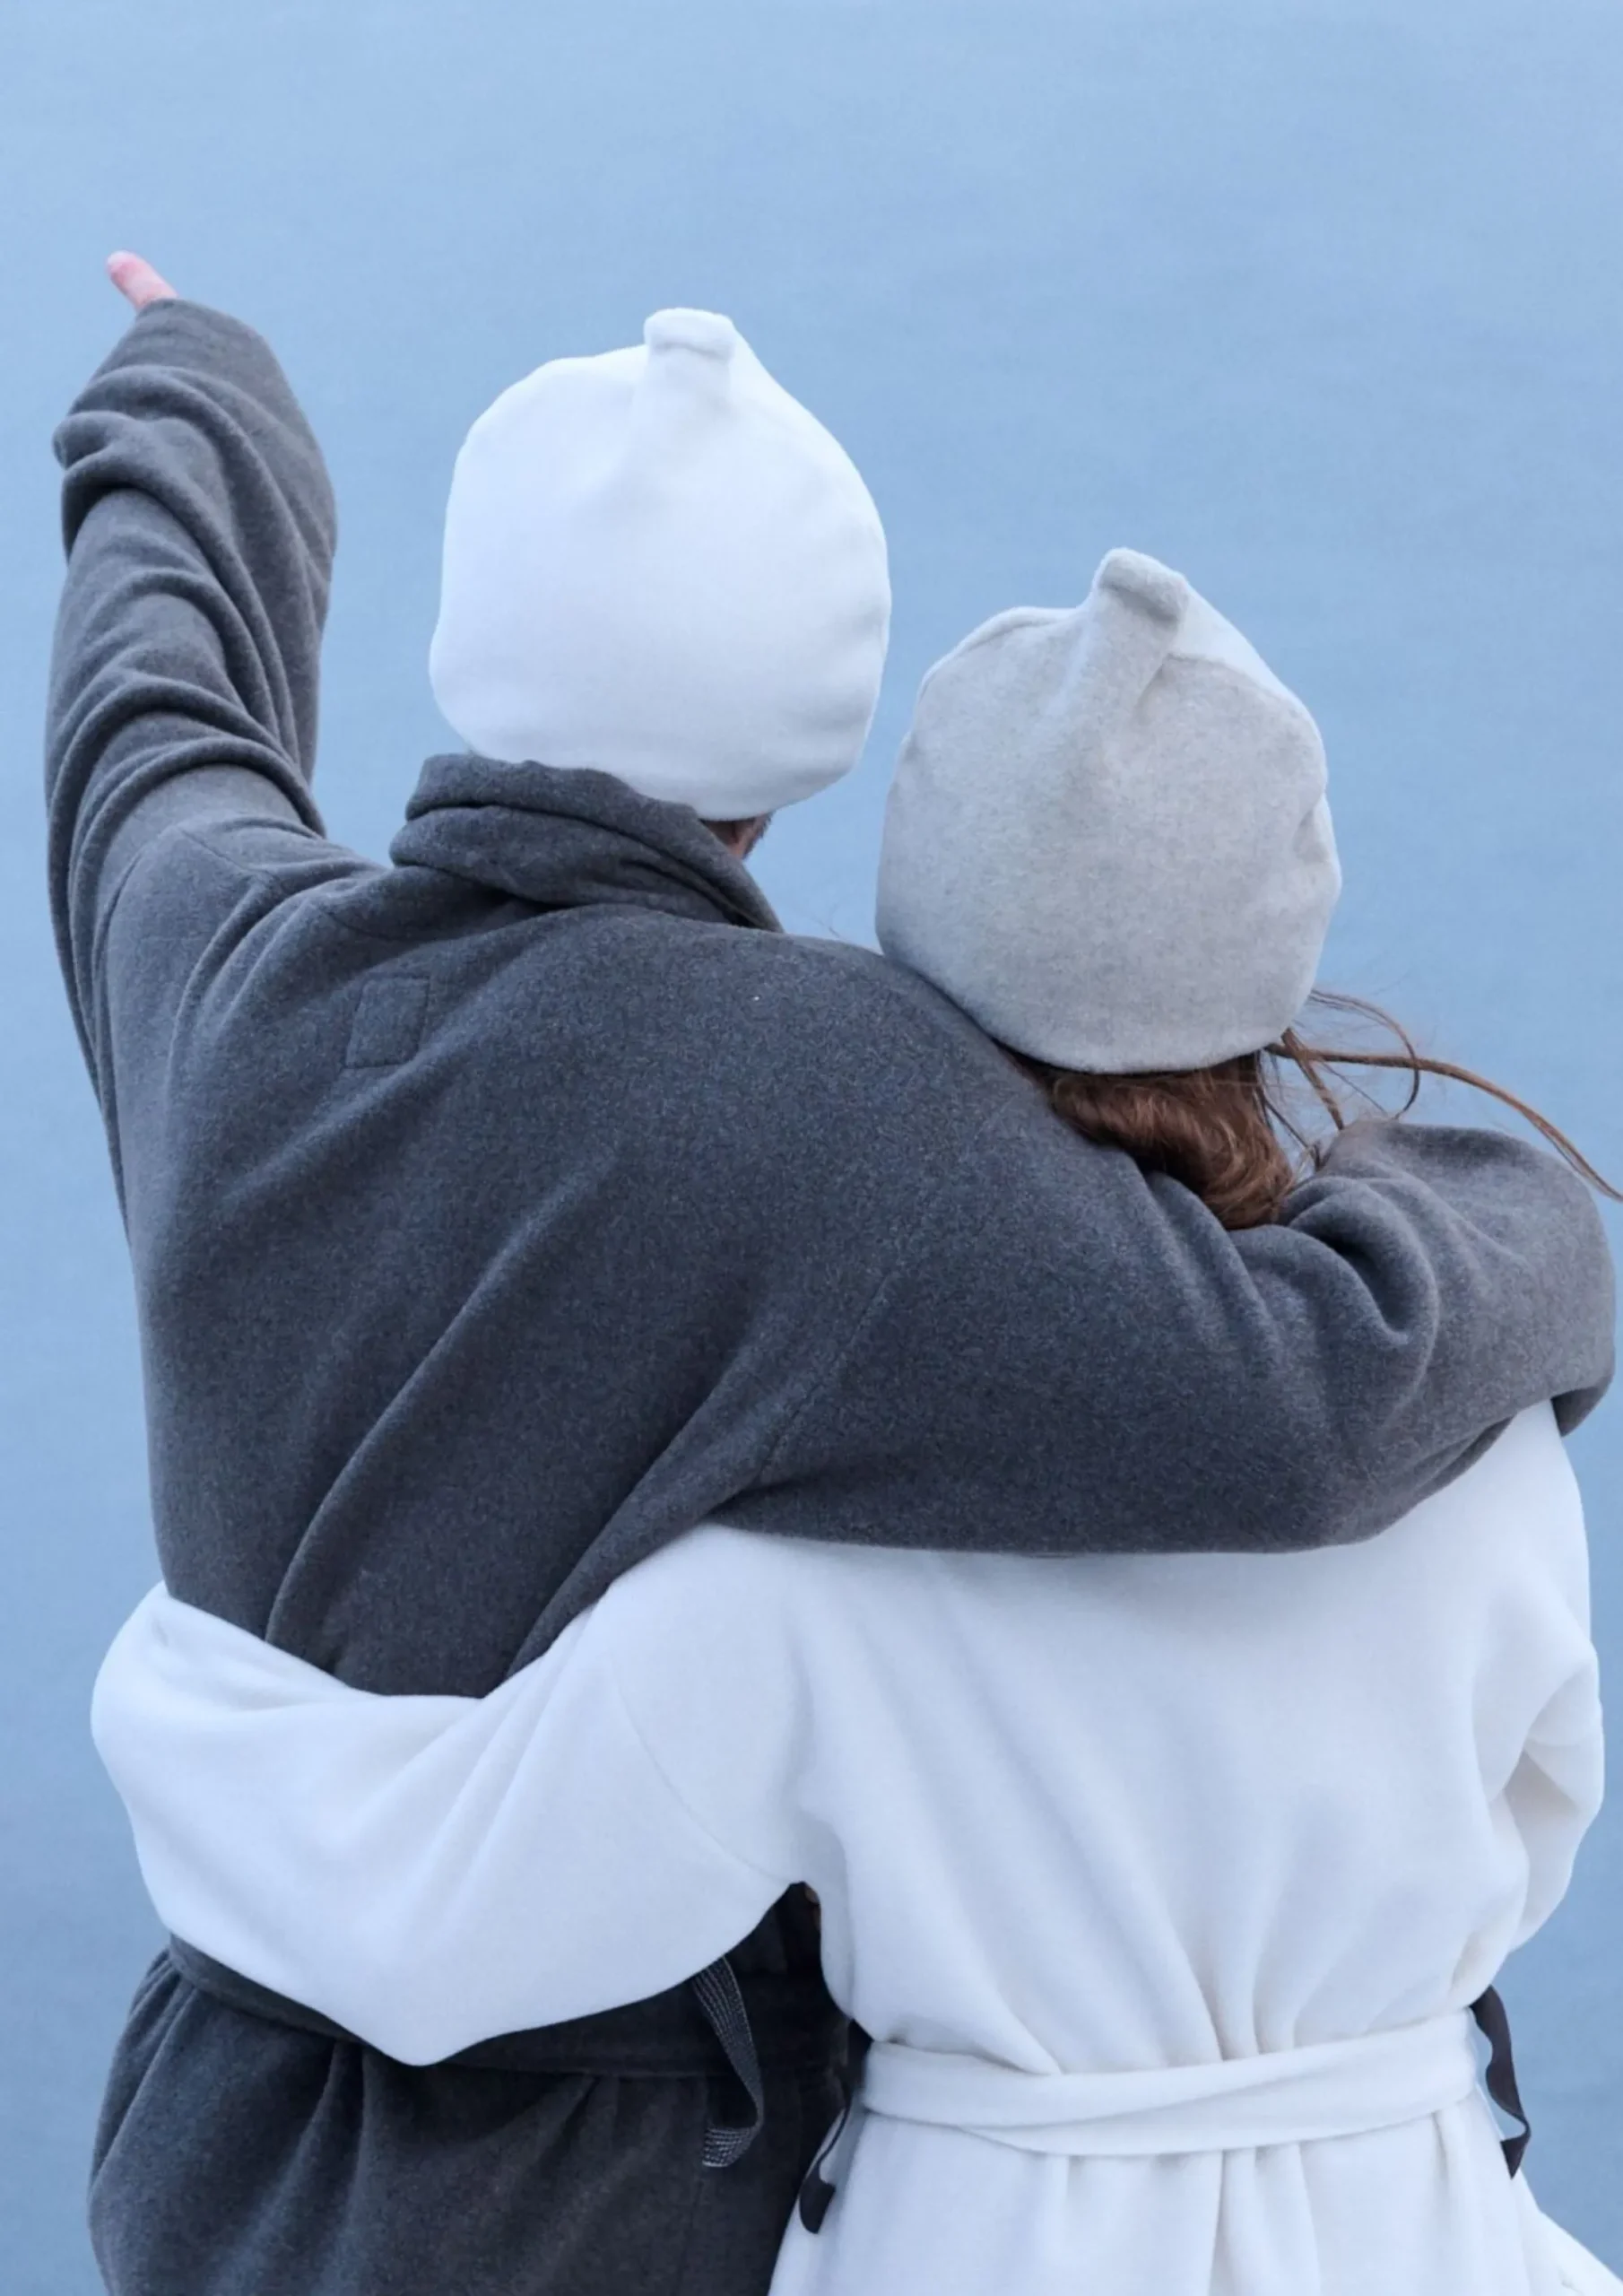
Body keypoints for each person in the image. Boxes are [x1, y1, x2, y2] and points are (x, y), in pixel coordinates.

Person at [51, 254, 1612, 2296]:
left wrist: (195, 394)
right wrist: (1524, 1211)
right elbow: (1298, 1399)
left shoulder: (209, 964)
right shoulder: (852, 1103)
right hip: (624, 2202)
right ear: (814, 736)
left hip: (210, 2148)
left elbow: (149, 716)